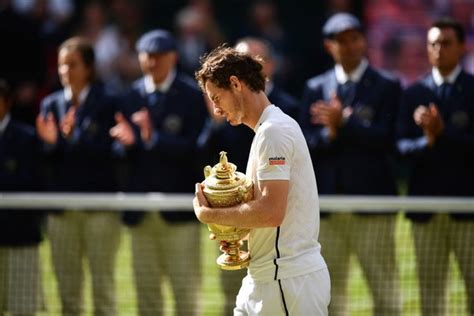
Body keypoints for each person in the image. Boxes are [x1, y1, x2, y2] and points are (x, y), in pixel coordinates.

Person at [193, 45, 330, 315]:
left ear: (235, 84)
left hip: (287, 282)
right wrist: (235, 232)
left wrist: (210, 214)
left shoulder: (274, 132)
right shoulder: (269, 130)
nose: (216, 110)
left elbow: (271, 212)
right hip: (268, 278)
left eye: (216, 98)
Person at [299, 13, 402, 316]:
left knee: (384, 288)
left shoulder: (387, 86)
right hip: (328, 206)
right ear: (328, 46)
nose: (348, 46)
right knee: (328, 291)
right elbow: (305, 144)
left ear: (364, 42)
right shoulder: (315, 87)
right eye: (340, 40)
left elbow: (390, 141)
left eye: (354, 38)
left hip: (372, 203)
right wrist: (330, 133)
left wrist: (344, 123)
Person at [110, 29, 208, 316]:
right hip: (141, 211)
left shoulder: (191, 96)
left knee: (185, 293)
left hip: (179, 211)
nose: (153, 62)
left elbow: (197, 150)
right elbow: (120, 153)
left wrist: (152, 140)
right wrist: (127, 144)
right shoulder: (129, 97)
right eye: (147, 56)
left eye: (159, 56)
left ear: (173, 57)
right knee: (146, 293)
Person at [36, 37, 121, 316]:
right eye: (61, 65)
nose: (65, 71)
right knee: (67, 289)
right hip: (62, 212)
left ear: (88, 68)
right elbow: (45, 158)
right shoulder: (50, 104)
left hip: (100, 209)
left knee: (102, 287)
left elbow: (113, 154)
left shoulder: (109, 102)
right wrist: (50, 143)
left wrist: (75, 139)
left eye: (72, 64)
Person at [396, 17, 474, 316]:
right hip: (425, 209)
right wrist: (427, 142)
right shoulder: (413, 93)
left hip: (467, 209)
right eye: (433, 44)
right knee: (430, 295)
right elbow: (399, 148)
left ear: (461, 47)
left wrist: (443, 134)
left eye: (446, 43)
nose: (439, 49)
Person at [0, 79, 45, 316]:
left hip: (21, 240)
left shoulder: (26, 138)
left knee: (23, 310)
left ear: (6, 104)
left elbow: (32, 181)